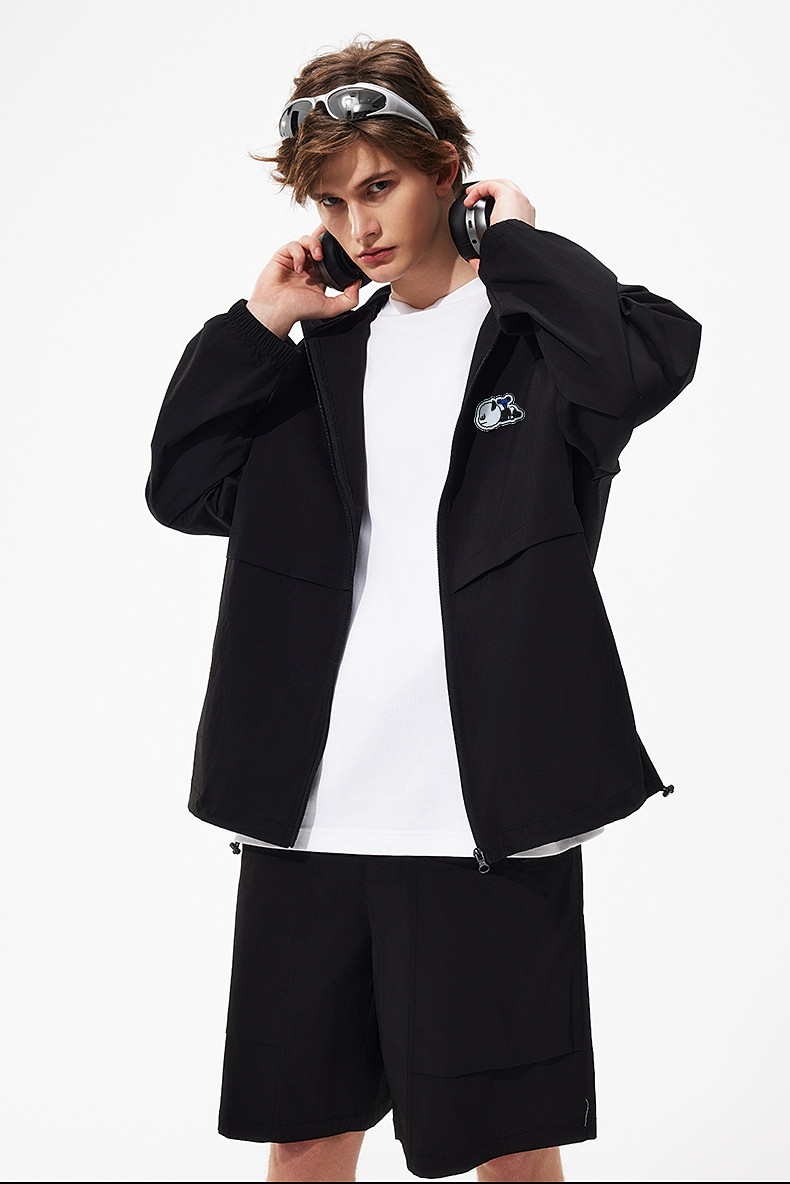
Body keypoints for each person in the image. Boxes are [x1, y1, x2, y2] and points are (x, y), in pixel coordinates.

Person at [144, 35, 702, 1183]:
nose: (359, 224)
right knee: (304, 1136)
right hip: (312, 815)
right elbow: (182, 486)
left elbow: (641, 364)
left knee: (509, 1146)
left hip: (485, 820)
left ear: (446, 168)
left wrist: (522, 248)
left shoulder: (536, 347)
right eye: (331, 201)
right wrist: (260, 321)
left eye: (380, 185)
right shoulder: (315, 364)